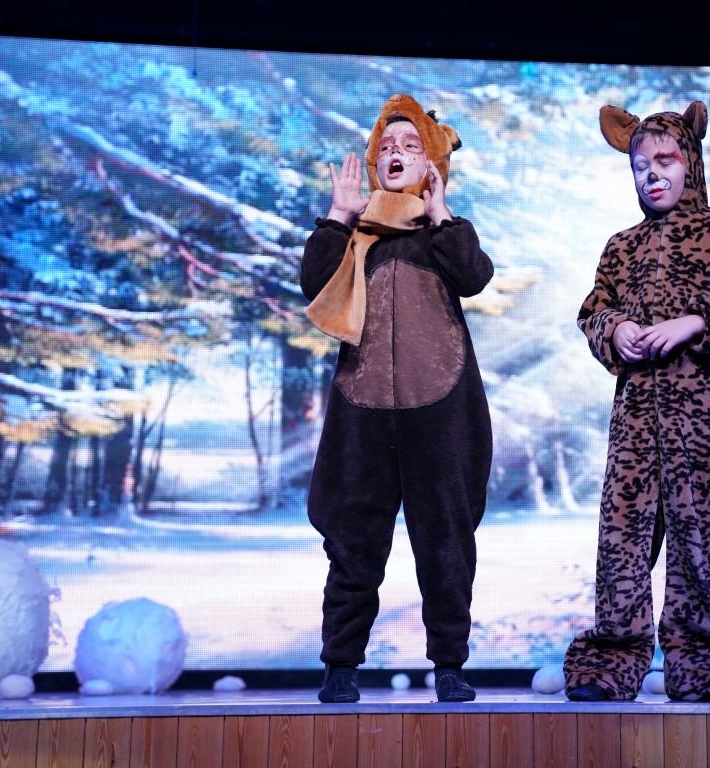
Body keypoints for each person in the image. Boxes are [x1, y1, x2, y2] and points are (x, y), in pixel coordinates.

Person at [563, 101, 710, 703]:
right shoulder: (621, 247)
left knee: (696, 547)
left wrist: (696, 322)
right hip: (635, 424)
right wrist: (615, 330)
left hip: (700, 424)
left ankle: (702, 667)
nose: (652, 174)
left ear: (691, 163)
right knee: (621, 544)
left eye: (665, 160)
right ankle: (610, 662)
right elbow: (593, 312)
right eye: (640, 165)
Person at [299, 94, 493, 704]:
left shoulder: (442, 234)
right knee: (353, 542)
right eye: (386, 147)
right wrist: (338, 216)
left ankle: (450, 666)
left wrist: (441, 212)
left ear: (432, 163)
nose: (396, 154)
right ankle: (341, 667)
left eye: (411, 146)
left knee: (445, 543)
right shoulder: (357, 236)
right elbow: (314, 284)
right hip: (363, 411)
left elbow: (474, 276)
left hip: (439, 413)